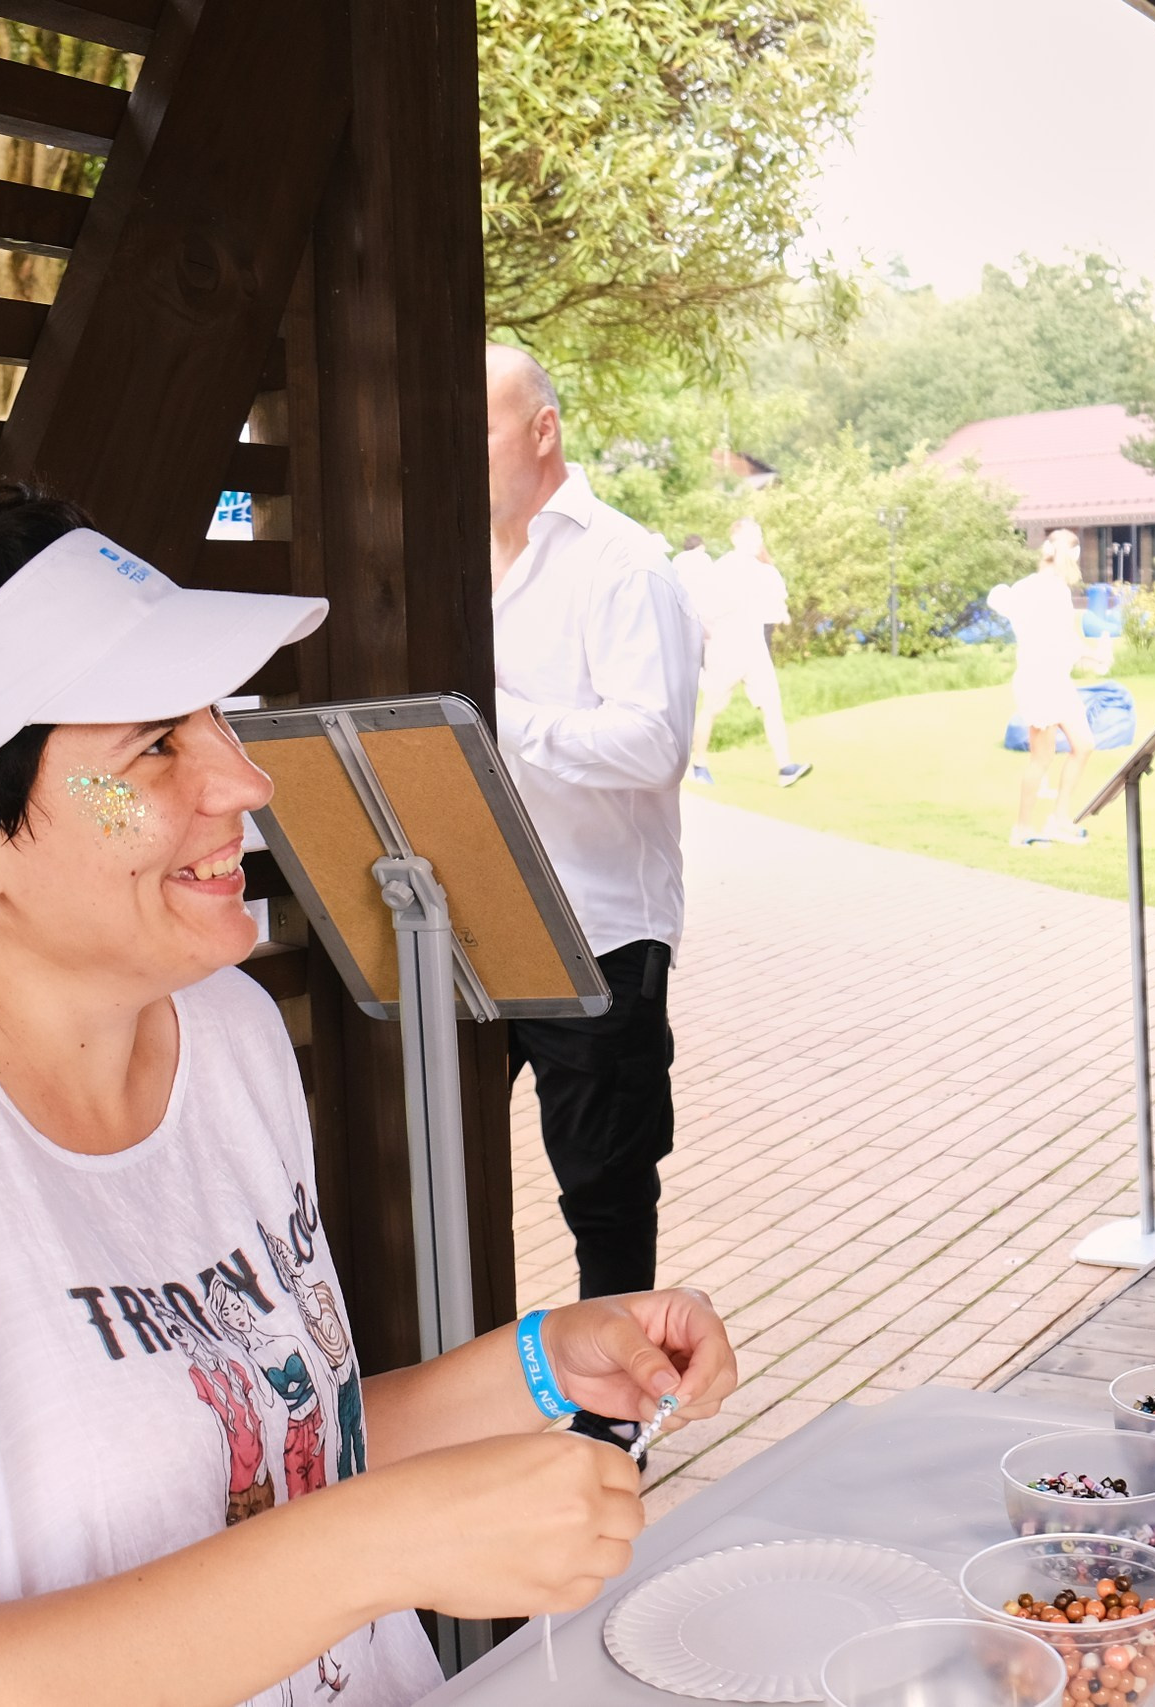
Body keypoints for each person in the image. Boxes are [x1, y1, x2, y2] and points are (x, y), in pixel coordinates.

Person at [0, 485, 738, 1707]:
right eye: (154, 747)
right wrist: (376, 1545)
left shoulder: (217, 1027)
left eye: (213, 718)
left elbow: (250, 1456)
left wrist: (537, 1370)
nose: (242, 780)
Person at [484, 344, 705, 1437]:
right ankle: (469, 1408)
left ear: (541, 430)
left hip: (600, 933)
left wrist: (498, 718)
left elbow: (653, 744)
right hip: (468, 930)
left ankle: (616, 1427)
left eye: (476, 428)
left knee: (605, 1194)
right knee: (446, 1176)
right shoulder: (449, 563)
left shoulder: (624, 566)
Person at [988, 528, 1096, 847]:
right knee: (1042, 757)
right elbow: (1057, 639)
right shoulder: (1049, 591)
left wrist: (1085, 653)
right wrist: (1090, 653)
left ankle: (1059, 820)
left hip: (1053, 679)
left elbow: (1002, 601)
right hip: (1040, 681)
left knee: (1084, 744)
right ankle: (1022, 830)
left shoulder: (1029, 588)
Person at [687, 516, 810, 787]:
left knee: (772, 705)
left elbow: (775, 607)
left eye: (759, 536)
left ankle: (785, 767)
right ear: (736, 538)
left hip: (755, 649)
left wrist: (781, 612)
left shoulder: (763, 572)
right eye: (752, 536)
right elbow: (705, 610)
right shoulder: (723, 569)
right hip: (726, 649)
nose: (757, 542)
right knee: (712, 708)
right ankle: (698, 764)